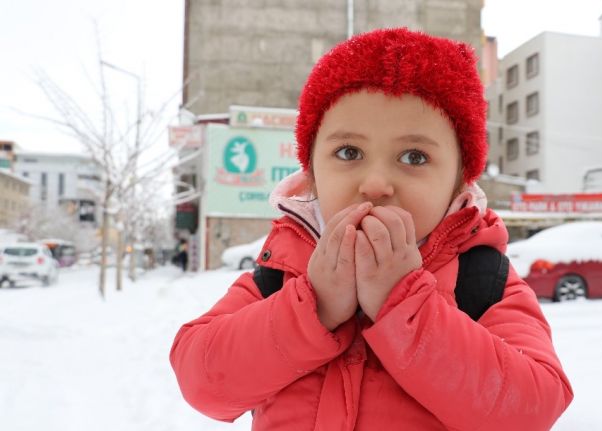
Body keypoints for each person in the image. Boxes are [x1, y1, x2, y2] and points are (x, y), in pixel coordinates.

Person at [170, 28, 573, 430]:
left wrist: (404, 306)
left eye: (414, 156)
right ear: (311, 174)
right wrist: (315, 305)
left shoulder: (482, 280)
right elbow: (202, 382)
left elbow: (532, 409)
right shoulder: (282, 271)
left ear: (459, 181)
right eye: (349, 152)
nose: (376, 183)